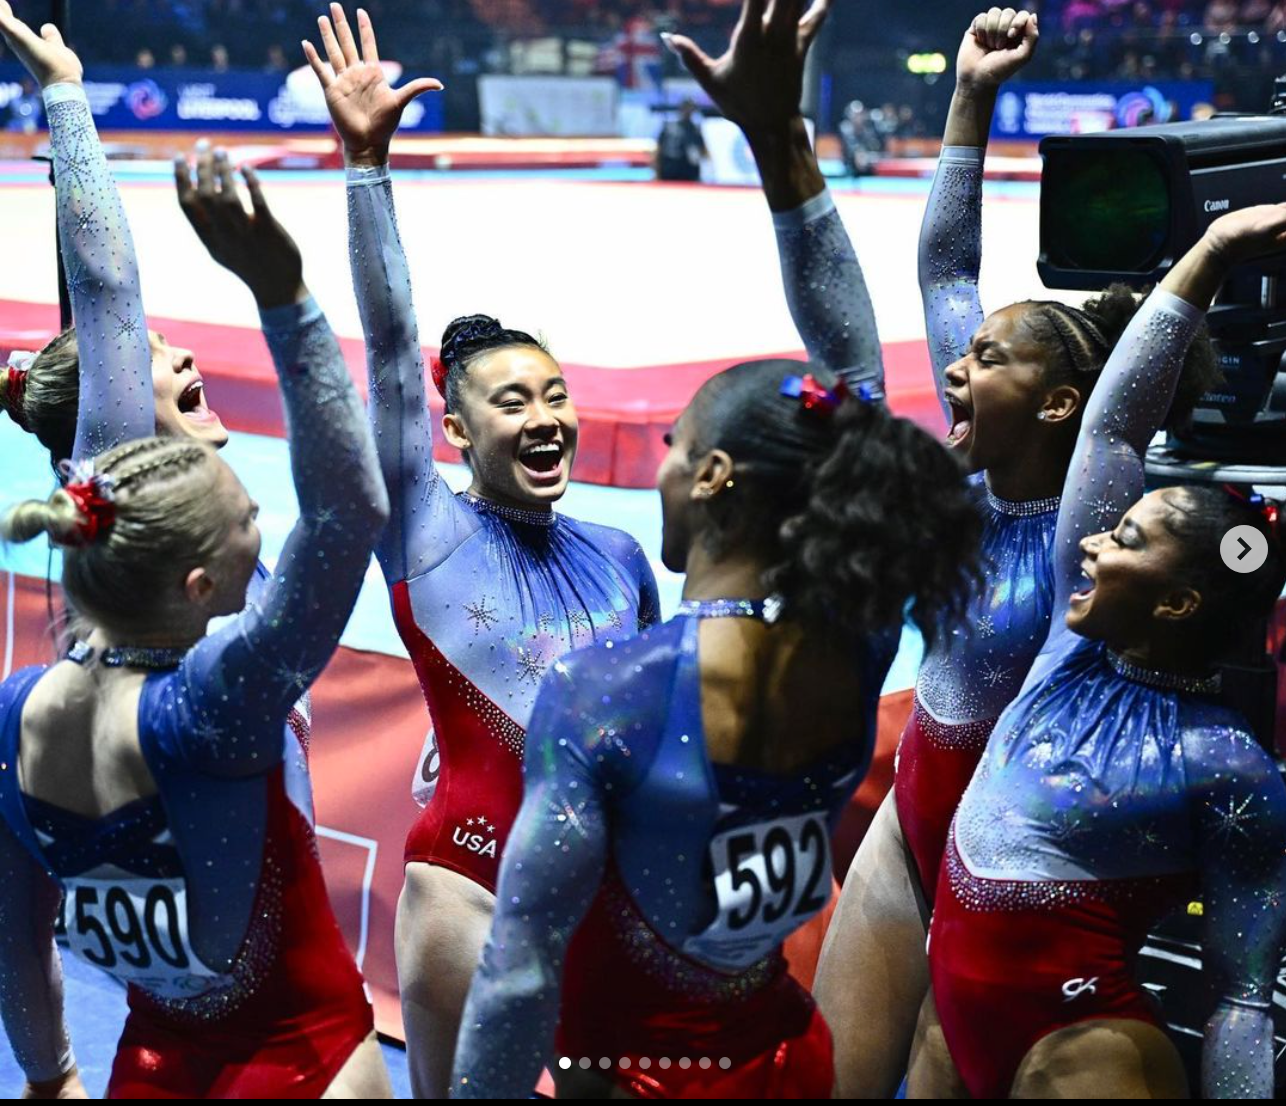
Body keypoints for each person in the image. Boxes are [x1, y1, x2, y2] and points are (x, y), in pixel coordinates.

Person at [810, 10, 1220, 1096]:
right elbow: (946, 273)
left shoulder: (1096, 520)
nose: (952, 367)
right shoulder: (969, 474)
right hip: (912, 825)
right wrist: (968, 95)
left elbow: (1120, 420)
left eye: (984, 360)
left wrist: (1207, 259)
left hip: (1016, 864)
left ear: (1054, 403)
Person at [0, 6, 392, 1100]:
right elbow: (111, 295)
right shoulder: (214, 676)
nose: (178, 362)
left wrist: (47, 1076)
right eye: (164, 366)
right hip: (282, 1031)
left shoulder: (53, 669)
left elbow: (12, 925)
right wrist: (68, 100)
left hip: (182, 1026)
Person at [451, 356, 984, 1099]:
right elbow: (854, 383)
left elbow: (520, 967)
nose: (662, 468)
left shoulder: (609, 691)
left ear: (711, 475)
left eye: (674, 444)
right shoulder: (857, 649)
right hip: (786, 1062)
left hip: (649, 1080)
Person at [302, 6, 657, 1096]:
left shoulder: (623, 551)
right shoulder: (429, 530)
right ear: (457, 430)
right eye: (511, 400)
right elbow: (392, 357)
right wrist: (367, 168)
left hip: (605, 897)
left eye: (555, 393)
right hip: (463, 885)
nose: (545, 415)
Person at [922, 203, 1286, 1100]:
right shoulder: (1066, 659)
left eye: (1124, 540)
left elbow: (1243, 1002)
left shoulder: (1227, 762)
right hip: (953, 1024)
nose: (1088, 545)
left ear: (1178, 599)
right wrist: (1212, 250)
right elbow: (1112, 430)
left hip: (1090, 1052)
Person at [655, 98, 707, 182]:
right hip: (669, 173)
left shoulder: (695, 130)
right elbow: (658, 151)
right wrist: (657, 173)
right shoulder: (668, 127)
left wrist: (696, 154)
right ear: (680, 109)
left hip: (688, 174)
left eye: (690, 108)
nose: (687, 111)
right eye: (685, 108)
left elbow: (703, 152)